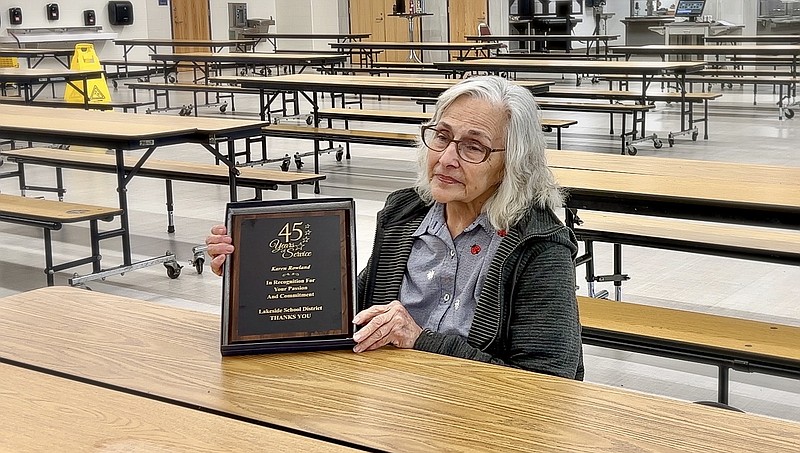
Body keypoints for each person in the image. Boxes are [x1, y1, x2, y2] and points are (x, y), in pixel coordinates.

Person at [207, 75, 584, 380]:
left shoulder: (539, 246)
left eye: (474, 147)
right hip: (390, 396)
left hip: (478, 418)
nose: (447, 158)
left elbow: (549, 383)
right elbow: (348, 305)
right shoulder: (405, 213)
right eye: (441, 136)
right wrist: (256, 273)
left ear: (512, 163)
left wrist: (421, 340)